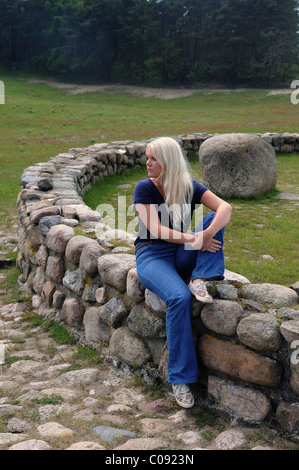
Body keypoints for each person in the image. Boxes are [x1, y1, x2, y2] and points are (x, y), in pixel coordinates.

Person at [133, 137, 232, 408]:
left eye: (153, 158)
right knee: (179, 297)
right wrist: (194, 240)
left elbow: (226, 208)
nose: (148, 163)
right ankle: (180, 379)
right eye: (147, 157)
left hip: (180, 253)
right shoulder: (144, 188)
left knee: (215, 218)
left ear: (168, 161)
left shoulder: (189, 187)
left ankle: (200, 278)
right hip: (152, 256)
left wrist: (206, 235)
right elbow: (155, 230)